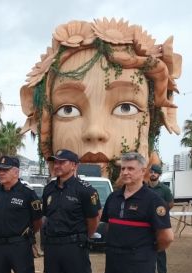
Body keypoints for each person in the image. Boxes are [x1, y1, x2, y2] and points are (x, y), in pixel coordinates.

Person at [19, 19, 182, 178]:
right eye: (68, 109)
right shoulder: (50, 197)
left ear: (155, 117)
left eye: (126, 107)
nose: (94, 131)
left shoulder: (151, 201)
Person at [148, 164, 174, 273]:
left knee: (161, 248)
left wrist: (162, 213)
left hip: (160, 223)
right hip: (146, 223)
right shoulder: (144, 188)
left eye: (156, 172)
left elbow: (170, 203)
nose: (153, 174)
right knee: (147, 248)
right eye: (151, 172)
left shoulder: (165, 189)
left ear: (159, 175)